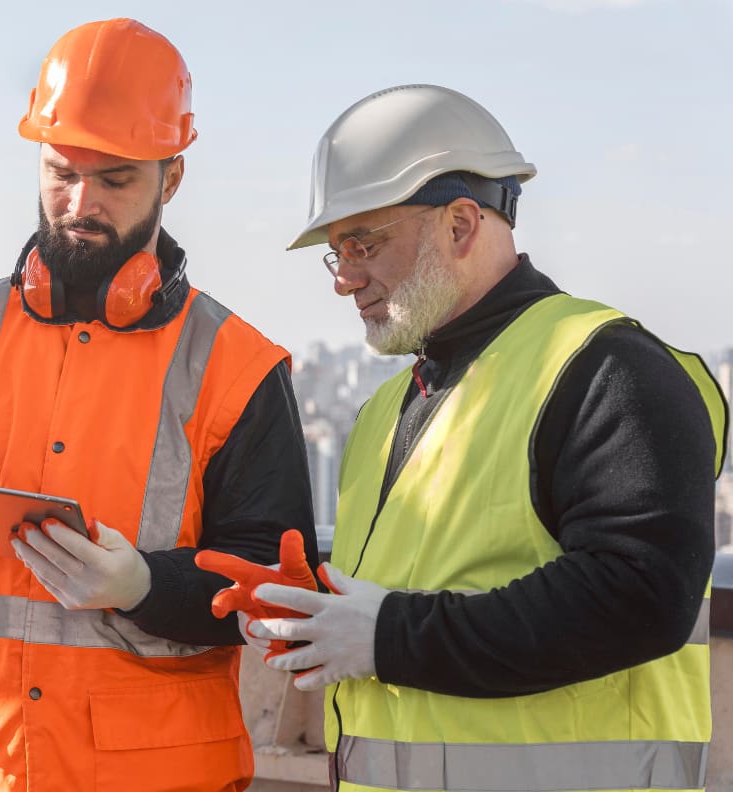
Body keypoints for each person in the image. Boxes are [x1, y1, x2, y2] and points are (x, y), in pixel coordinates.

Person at [0, 18, 317, 792]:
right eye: (60, 172)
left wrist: (145, 586)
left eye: (116, 180)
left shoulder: (236, 365)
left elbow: (275, 589)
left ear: (171, 179)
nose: (81, 202)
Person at [236, 84, 727, 791]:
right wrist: (316, 617)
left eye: (363, 243)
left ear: (462, 225)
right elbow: (434, 587)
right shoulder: (386, 411)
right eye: (335, 251)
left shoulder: (607, 368)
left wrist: (385, 636)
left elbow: (640, 595)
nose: (344, 279)